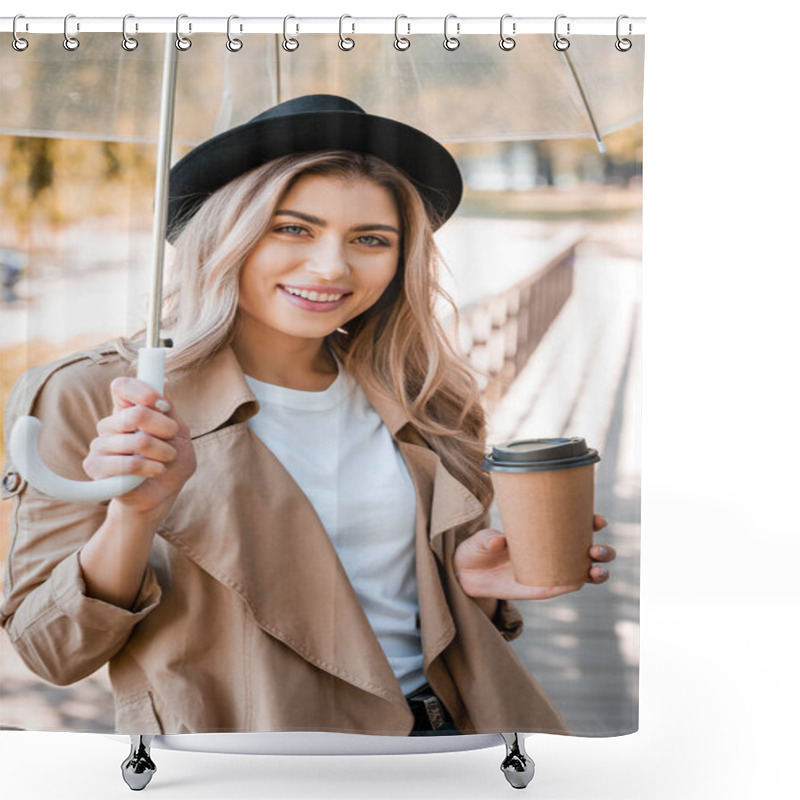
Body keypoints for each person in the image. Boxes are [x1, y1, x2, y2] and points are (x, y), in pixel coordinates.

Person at [0, 95, 615, 736]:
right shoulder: (100, 396)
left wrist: (465, 586)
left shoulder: (423, 394)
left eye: (370, 239)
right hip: (257, 761)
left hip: (452, 738)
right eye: (292, 228)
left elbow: (413, 619)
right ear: (228, 232)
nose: (331, 266)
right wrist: (134, 515)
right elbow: (53, 652)